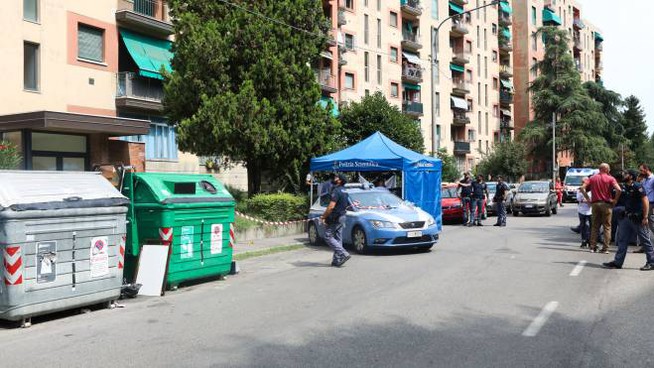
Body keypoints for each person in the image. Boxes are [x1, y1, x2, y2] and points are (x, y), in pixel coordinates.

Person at [602, 170, 654, 271]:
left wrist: (645, 217)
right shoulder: (625, 186)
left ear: (630, 176)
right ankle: (618, 262)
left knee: (645, 240)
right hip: (626, 217)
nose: (624, 176)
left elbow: (645, 200)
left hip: (637, 218)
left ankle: (651, 262)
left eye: (626, 174)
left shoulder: (637, 186)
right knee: (622, 240)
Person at [580, 163, 622, 253]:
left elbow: (582, 188)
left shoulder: (592, 178)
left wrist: (588, 199)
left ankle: (592, 246)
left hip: (595, 204)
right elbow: (619, 189)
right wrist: (615, 200)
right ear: (606, 169)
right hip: (607, 204)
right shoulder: (610, 178)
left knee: (595, 226)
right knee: (607, 226)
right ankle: (605, 248)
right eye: (609, 169)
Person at [320, 173, 351, 267]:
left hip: (336, 217)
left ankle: (343, 253)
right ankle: (336, 260)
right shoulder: (345, 191)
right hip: (342, 217)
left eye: (337, 177)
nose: (335, 178)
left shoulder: (336, 191)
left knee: (327, 236)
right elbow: (347, 205)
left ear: (340, 180)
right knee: (338, 238)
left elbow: (331, 206)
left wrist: (323, 217)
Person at [638, 163, 654, 253]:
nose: (640, 172)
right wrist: (638, 180)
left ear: (646, 169)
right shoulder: (643, 180)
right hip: (643, 204)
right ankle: (645, 246)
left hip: (651, 204)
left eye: (641, 170)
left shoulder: (653, 179)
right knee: (644, 226)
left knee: (651, 226)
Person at [576, 178, 592, 248]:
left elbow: (594, 199)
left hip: (590, 211)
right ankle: (584, 241)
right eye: (582, 182)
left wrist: (588, 200)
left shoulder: (592, 189)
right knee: (583, 226)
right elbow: (578, 199)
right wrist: (585, 200)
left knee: (591, 227)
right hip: (582, 210)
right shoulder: (580, 190)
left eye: (585, 182)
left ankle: (590, 241)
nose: (583, 183)